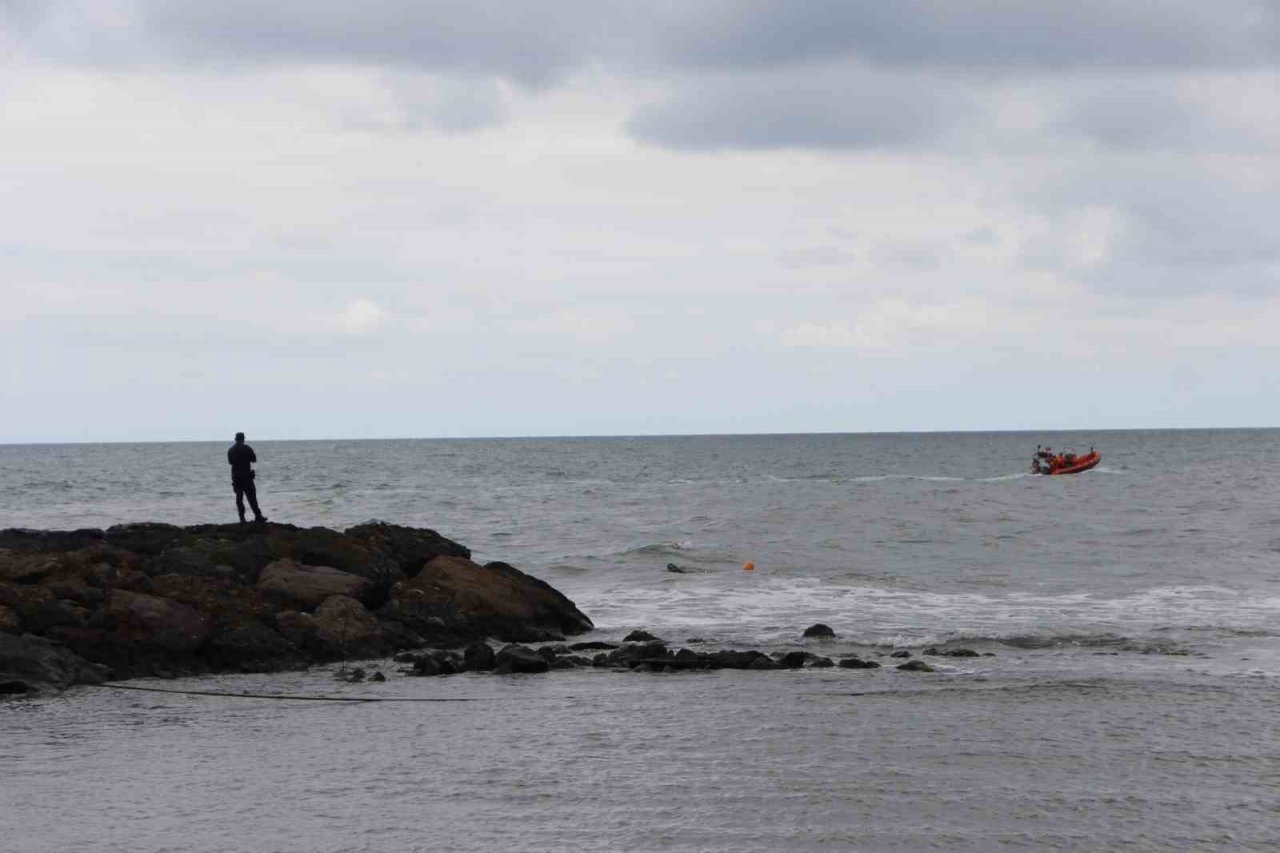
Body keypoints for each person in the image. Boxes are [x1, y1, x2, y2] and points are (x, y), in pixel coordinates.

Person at [227, 432, 267, 524]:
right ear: (243, 439)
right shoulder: (247, 448)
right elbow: (254, 459)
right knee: (252, 498)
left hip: (236, 477)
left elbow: (230, 462)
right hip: (247, 477)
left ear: (235, 439)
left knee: (239, 498)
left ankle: (242, 518)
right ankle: (258, 516)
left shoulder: (231, 450)